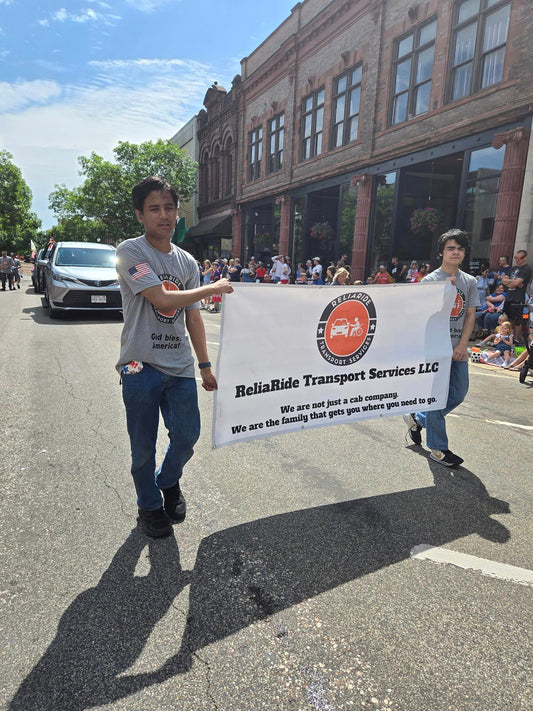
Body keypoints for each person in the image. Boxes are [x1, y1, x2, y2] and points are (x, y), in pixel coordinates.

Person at [115, 176, 234, 538]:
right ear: (140, 215)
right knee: (142, 448)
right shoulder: (131, 252)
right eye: (154, 209)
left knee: (186, 435)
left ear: (177, 212)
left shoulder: (186, 262)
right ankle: (149, 506)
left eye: (169, 208)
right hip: (139, 364)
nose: (163, 215)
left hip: (180, 364)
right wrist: (213, 287)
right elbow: (163, 300)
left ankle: (168, 482)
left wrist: (205, 365)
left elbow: (193, 315)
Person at [403, 228, 479, 467]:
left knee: (458, 393)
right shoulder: (430, 281)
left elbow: (469, 315)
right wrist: (443, 293)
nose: (456, 252)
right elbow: (423, 316)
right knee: (436, 398)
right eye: (451, 248)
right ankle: (438, 448)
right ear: (441, 253)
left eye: (460, 248)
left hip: (457, 348)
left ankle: (418, 418)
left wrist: (463, 345)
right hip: (434, 349)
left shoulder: (469, 281)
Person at [501, 250, 531, 341]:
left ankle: (516, 339)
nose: (517, 260)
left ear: (524, 258)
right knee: (508, 318)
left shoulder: (526, 268)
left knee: (517, 320)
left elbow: (517, 282)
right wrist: (513, 282)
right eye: (515, 258)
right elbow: (504, 281)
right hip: (509, 296)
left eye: (519, 258)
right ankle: (508, 337)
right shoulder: (513, 268)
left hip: (518, 297)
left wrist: (511, 282)